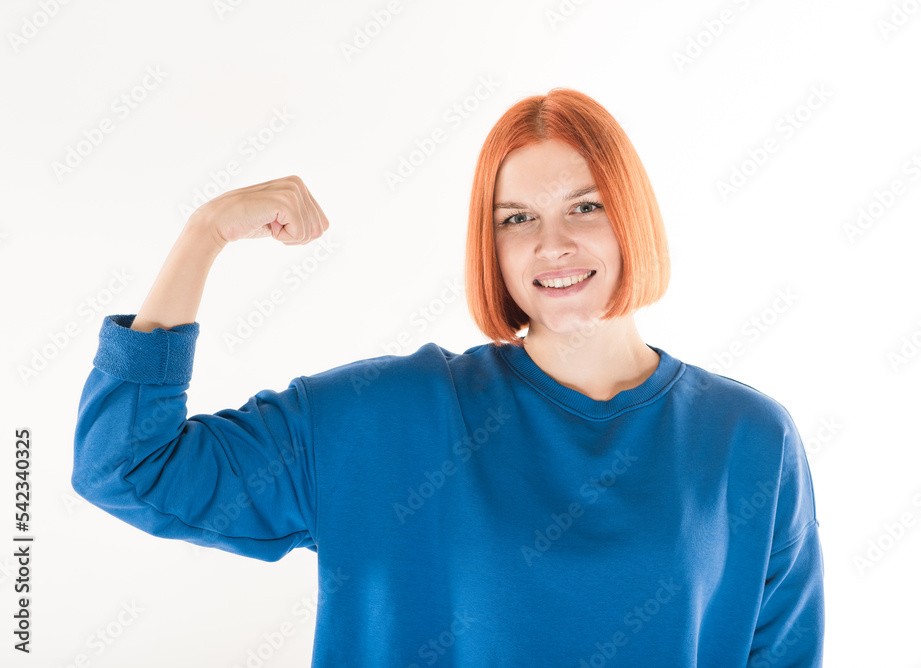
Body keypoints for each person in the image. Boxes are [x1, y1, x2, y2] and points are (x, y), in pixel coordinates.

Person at [73, 88, 824, 666]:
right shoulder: (385, 419)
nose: (552, 246)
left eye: (585, 207)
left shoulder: (750, 442)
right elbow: (126, 466)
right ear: (489, 247)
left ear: (633, 218)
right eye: (516, 219)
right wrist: (206, 233)